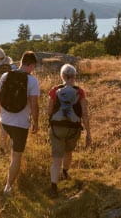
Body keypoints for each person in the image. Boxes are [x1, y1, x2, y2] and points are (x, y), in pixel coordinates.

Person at [0, 51, 40, 194]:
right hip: (20, 124)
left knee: (10, 148)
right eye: (33, 67)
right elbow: (34, 105)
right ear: (31, 65)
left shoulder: (6, 75)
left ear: (21, 61)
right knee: (16, 156)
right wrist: (36, 122)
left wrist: (0, 115)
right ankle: (8, 187)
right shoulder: (32, 81)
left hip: (5, 121)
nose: (33, 69)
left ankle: (9, 173)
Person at [47, 64, 92, 198]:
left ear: (62, 76)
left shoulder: (54, 90)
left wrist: (50, 123)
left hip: (57, 128)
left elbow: (49, 110)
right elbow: (84, 113)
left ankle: (54, 187)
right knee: (68, 152)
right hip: (73, 129)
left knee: (56, 159)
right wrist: (88, 133)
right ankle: (65, 172)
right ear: (74, 76)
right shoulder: (80, 92)